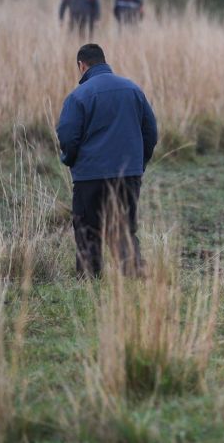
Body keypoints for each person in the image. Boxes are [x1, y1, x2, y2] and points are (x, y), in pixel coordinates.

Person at [56, 44, 157, 278]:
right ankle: (133, 277)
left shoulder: (78, 96)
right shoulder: (133, 90)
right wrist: (138, 165)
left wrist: (71, 160)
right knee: (124, 228)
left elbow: (68, 136)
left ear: (82, 65)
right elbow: (151, 133)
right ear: (104, 61)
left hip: (90, 176)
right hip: (128, 175)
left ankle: (89, 280)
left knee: (87, 229)